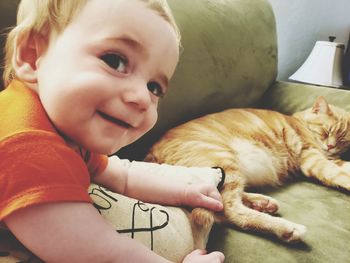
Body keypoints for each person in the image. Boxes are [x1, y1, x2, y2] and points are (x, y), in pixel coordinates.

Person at [0, 0, 225, 262]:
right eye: (114, 61)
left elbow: (119, 176)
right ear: (32, 56)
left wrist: (184, 191)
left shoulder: (66, 127)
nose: (142, 97)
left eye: (154, 88)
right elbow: (101, 253)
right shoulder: (26, 146)